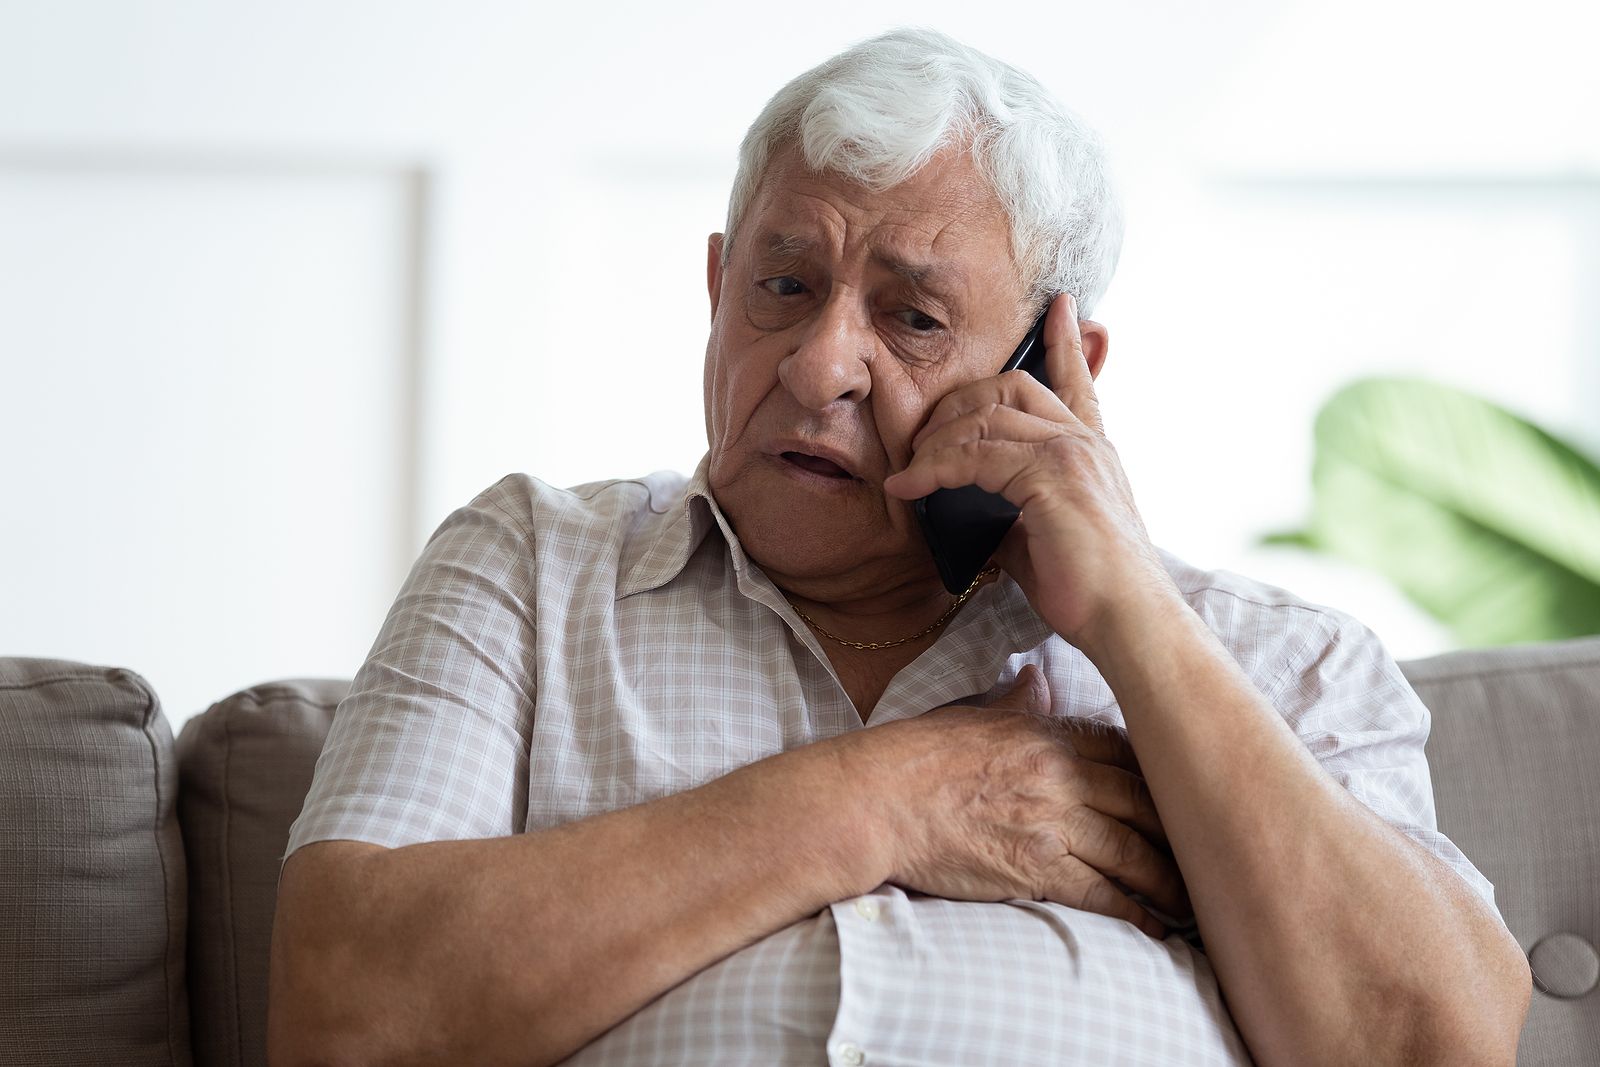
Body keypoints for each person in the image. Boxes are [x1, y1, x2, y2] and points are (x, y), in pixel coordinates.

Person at [268, 27, 1530, 1067]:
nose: (819, 365)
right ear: (717, 289)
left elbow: (1432, 1045)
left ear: (1058, 372)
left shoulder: (1278, 663)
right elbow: (345, 1015)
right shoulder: (533, 567)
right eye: (782, 286)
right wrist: (901, 796)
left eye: (914, 317)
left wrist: (1136, 620)